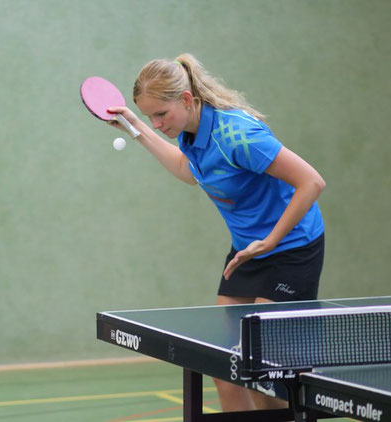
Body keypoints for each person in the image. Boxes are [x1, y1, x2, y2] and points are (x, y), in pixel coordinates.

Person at [108, 54, 325, 411]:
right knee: (224, 365)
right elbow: (186, 170)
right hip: (246, 251)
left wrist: (271, 240)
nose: (157, 123)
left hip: (291, 249)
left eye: (161, 114)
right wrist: (136, 128)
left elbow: (312, 182)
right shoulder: (191, 135)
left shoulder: (238, 136)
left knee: (264, 369)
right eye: (149, 116)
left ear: (186, 100)